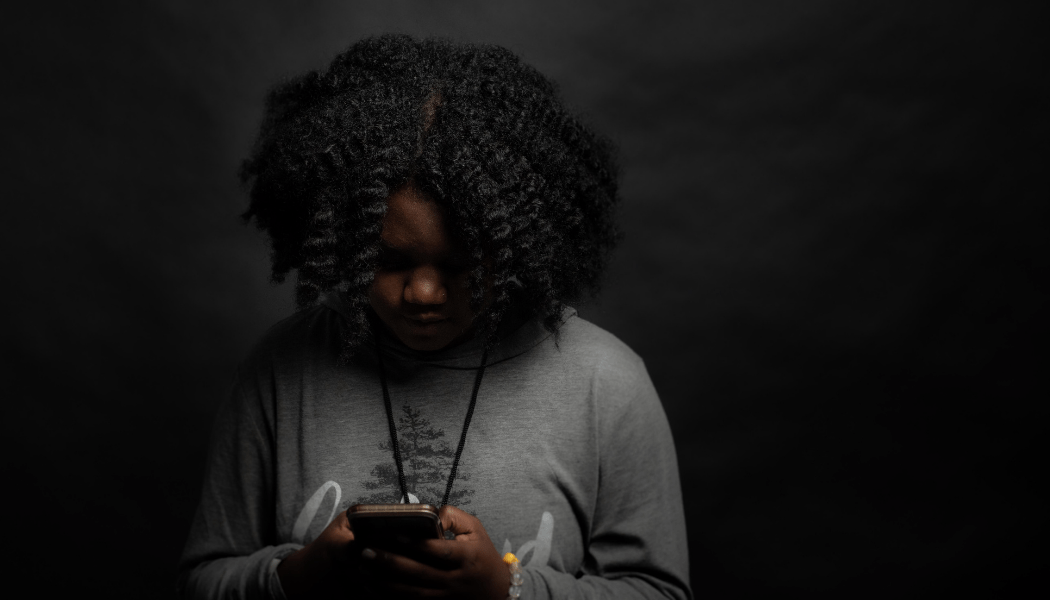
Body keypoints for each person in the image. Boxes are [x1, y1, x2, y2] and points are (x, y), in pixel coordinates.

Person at [178, 34, 691, 600]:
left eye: (460, 264)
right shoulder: (279, 371)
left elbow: (660, 592)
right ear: (341, 240)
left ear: (513, 246)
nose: (423, 292)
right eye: (389, 260)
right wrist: (295, 577)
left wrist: (509, 589)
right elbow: (202, 580)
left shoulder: (607, 384)